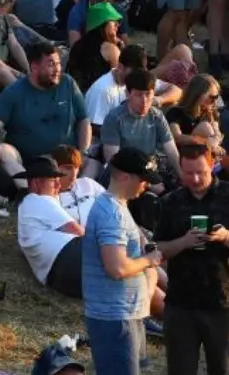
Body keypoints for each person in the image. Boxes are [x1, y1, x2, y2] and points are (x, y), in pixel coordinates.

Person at [83, 149, 162, 375]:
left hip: (126, 314)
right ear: (125, 176)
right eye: (143, 179)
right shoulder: (112, 214)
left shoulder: (117, 206)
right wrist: (148, 260)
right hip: (115, 318)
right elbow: (116, 268)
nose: (146, 185)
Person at [154, 139, 229, 375]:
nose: (195, 179)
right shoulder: (170, 202)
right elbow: (157, 249)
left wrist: (226, 236)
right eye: (188, 173)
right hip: (181, 304)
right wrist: (183, 243)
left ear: (212, 165)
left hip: (221, 302)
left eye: (201, 172)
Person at [0, 44, 89, 181]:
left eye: (58, 64)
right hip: (32, 166)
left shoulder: (68, 84)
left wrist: (84, 151)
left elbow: (84, 120)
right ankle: (27, 190)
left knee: (95, 162)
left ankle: (77, 186)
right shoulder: (13, 93)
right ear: (34, 67)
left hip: (68, 161)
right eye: (51, 64)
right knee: (5, 151)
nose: (57, 69)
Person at [17, 154, 87, 297]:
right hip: (70, 258)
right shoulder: (38, 200)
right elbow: (78, 231)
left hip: (56, 278)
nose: (58, 186)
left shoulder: (27, 206)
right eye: (53, 181)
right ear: (36, 183)